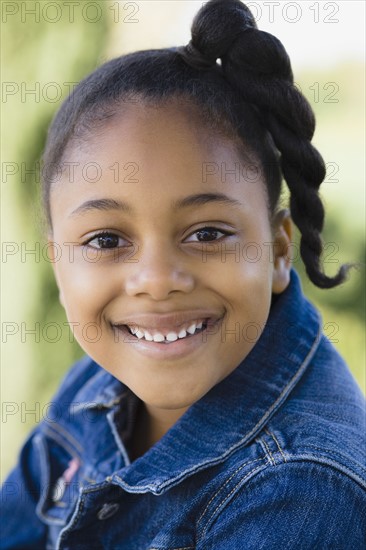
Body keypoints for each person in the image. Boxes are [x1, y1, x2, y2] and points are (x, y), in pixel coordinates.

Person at [1, 0, 365, 548]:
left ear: (277, 251)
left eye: (208, 234)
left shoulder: (301, 485)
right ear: (58, 263)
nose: (157, 278)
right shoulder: (90, 389)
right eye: (106, 240)